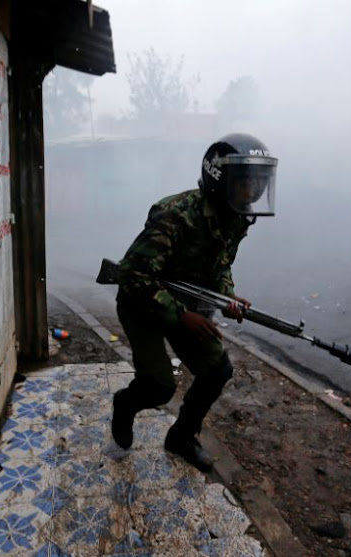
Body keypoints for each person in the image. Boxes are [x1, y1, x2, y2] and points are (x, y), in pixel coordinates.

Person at [112, 133, 278, 472]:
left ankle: (182, 436)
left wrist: (227, 294)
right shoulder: (176, 214)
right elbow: (132, 276)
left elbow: (219, 264)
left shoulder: (235, 216)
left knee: (218, 370)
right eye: (248, 182)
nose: (255, 190)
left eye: (260, 181)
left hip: (186, 306)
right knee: (159, 387)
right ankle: (125, 404)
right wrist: (182, 316)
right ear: (221, 178)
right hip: (141, 303)